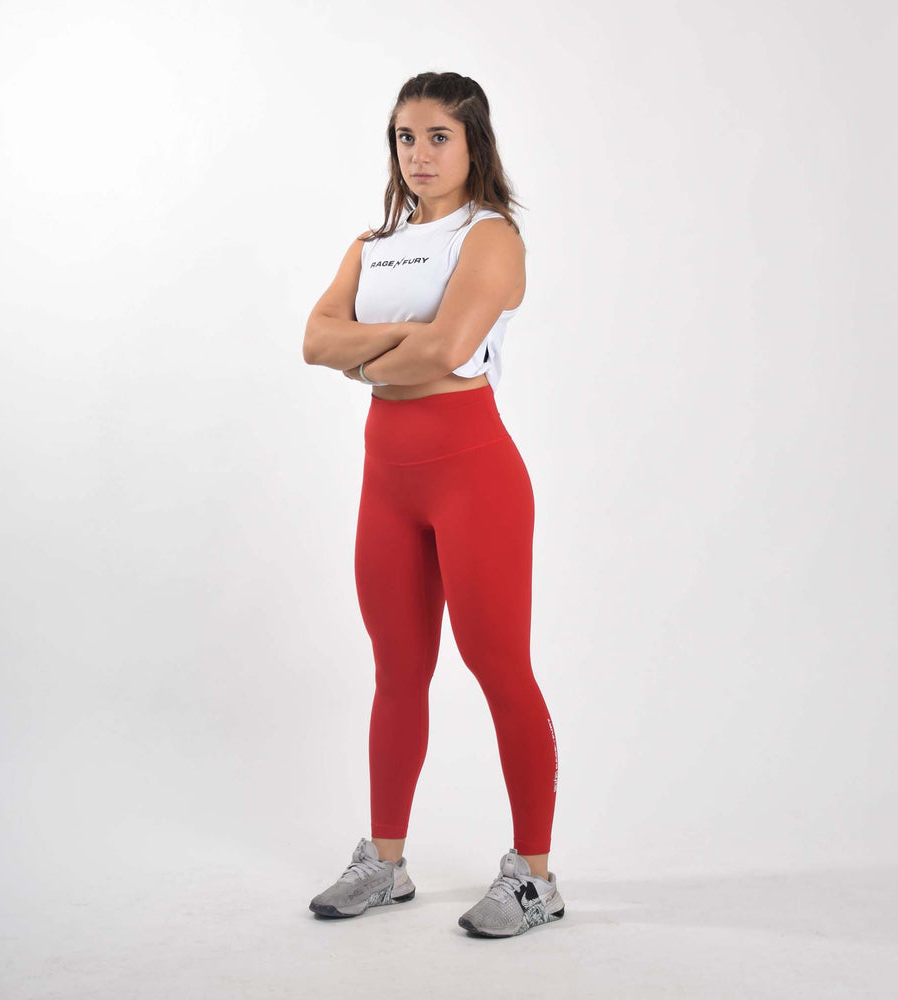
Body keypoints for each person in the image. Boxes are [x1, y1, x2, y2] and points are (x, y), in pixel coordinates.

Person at [301, 71, 563, 938]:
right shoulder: (373, 244)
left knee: (499, 666)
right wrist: (398, 345)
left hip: (473, 477)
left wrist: (363, 356)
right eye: (405, 137)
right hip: (389, 481)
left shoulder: (491, 236)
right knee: (398, 669)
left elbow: (450, 348)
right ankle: (385, 862)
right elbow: (314, 339)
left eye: (438, 136)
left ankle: (535, 878)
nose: (418, 153)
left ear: (473, 142)